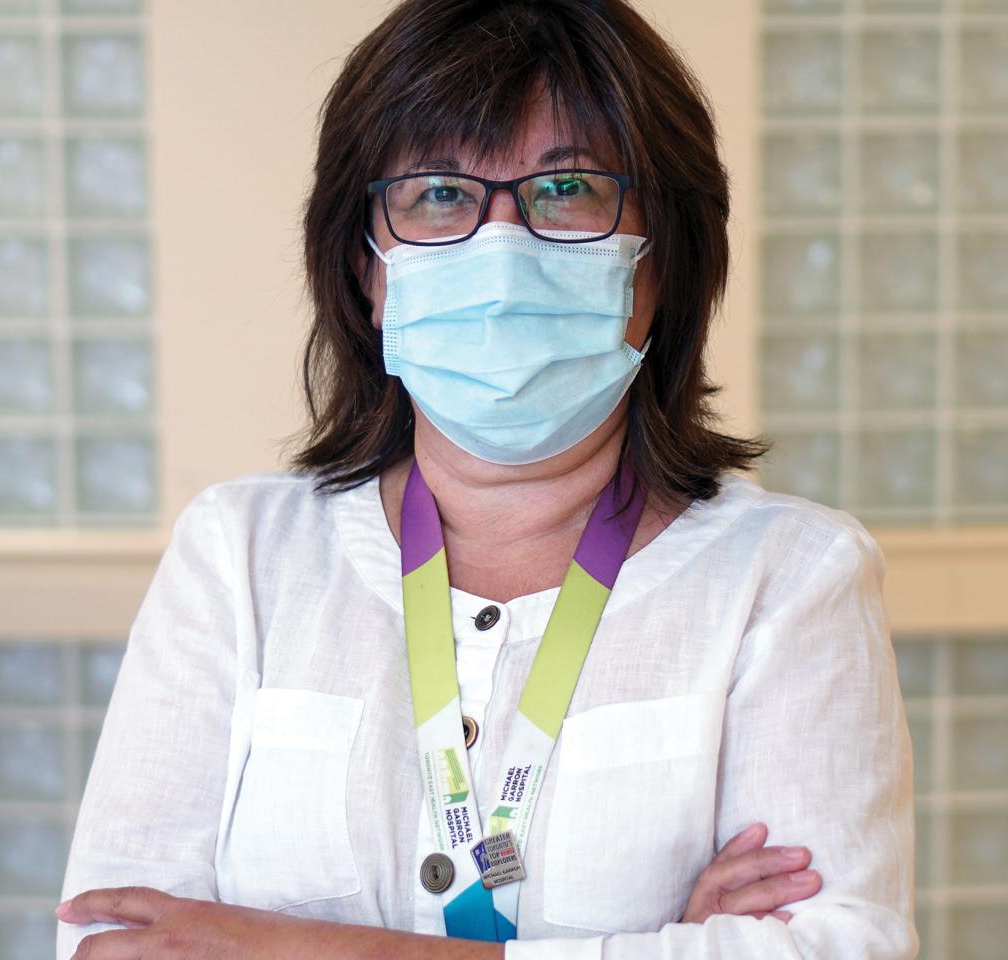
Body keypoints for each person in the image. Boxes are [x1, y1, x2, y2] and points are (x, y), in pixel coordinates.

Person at [55, 0, 915, 957]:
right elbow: (112, 940)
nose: (500, 245)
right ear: (366, 268)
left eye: (568, 189)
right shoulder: (241, 554)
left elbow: (837, 949)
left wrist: (292, 944)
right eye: (437, 194)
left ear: (661, 264)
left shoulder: (789, 576)